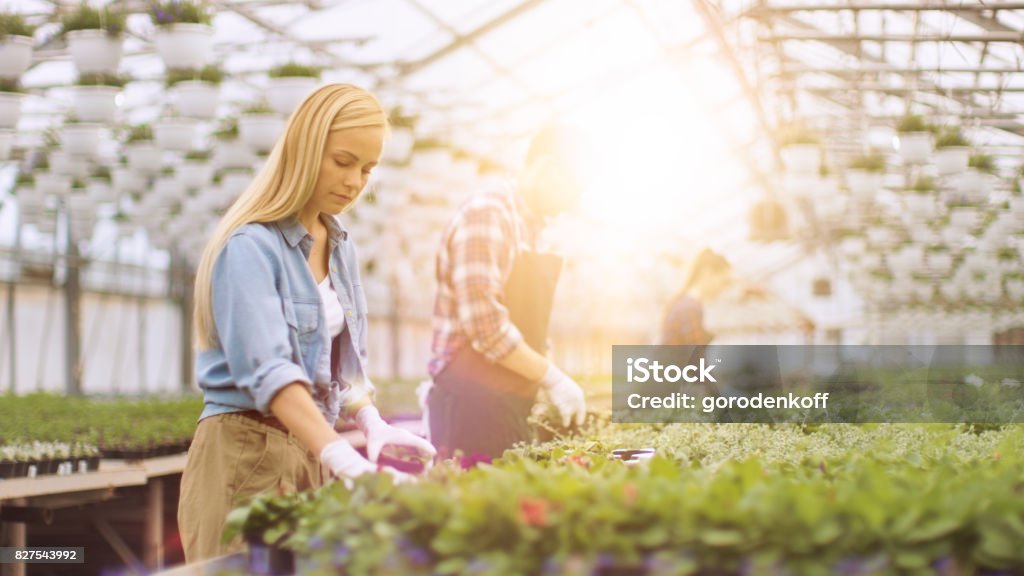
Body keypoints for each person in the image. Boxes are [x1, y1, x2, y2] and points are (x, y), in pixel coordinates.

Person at [178, 84, 436, 563]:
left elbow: (343, 366)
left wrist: (369, 420)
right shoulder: (250, 249)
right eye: (343, 161)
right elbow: (271, 375)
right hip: (245, 452)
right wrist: (340, 454)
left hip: (309, 452)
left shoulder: (341, 246)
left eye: (367, 168)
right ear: (305, 148)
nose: (355, 181)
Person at [426, 124, 588, 460]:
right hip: (472, 403)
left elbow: (529, 325)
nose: (572, 204)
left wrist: (544, 379)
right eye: (573, 190)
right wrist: (553, 378)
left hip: (507, 403)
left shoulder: (533, 228)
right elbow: (486, 327)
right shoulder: (489, 213)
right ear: (548, 169)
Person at [659, 248, 732, 346]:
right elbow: (696, 356)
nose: (723, 288)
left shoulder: (680, 301)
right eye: (724, 282)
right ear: (707, 273)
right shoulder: (690, 306)